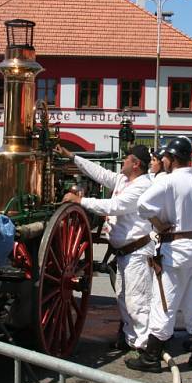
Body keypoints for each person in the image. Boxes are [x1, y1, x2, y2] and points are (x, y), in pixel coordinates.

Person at [126, 136, 192, 373]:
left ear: (172, 159)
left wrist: (159, 224)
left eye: (164, 157)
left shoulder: (169, 182)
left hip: (175, 249)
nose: (162, 160)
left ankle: (151, 357)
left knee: (164, 302)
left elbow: (142, 205)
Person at [57, 144, 153, 353]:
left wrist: (80, 200)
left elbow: (115, 206)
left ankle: (146, 348)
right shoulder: (124, 179)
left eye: (126, 158)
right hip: (126, 252)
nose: (123, 161)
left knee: (137, 302)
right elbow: (100, 173)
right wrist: (73, 157)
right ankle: (131, 340)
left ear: (136, 164)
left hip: (136, 252)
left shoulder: (143, 186)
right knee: (124, 298)